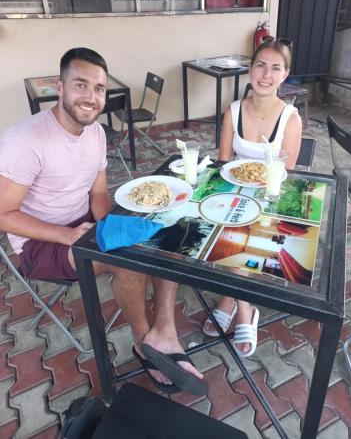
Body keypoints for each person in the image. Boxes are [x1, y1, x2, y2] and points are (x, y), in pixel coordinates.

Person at [0, 48, 205, 395]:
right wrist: (68, 235)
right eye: (81, 85)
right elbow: (3, 214)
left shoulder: (95, 133)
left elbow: (97, 194)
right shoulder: (26, 141)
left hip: (80, 223)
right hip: (40, 244)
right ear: (60, 88)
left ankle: (165, 330)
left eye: (99, 89)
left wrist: (113, 227)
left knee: (168, 232)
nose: (91, 97)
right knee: (127, 260)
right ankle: (144, 342)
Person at [203, 38, 302, 357]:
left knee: (239, 233)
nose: (266, 74)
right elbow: (223, 164)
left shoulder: (291, 119)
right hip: (235, 194)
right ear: (250, 69)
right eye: (260, 65)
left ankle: (236, 304)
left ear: (285, 75)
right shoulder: (233, 111)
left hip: (271, 202)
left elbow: (283, 175)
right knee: (226, 224)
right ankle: (240, 303)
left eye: (276, 68)